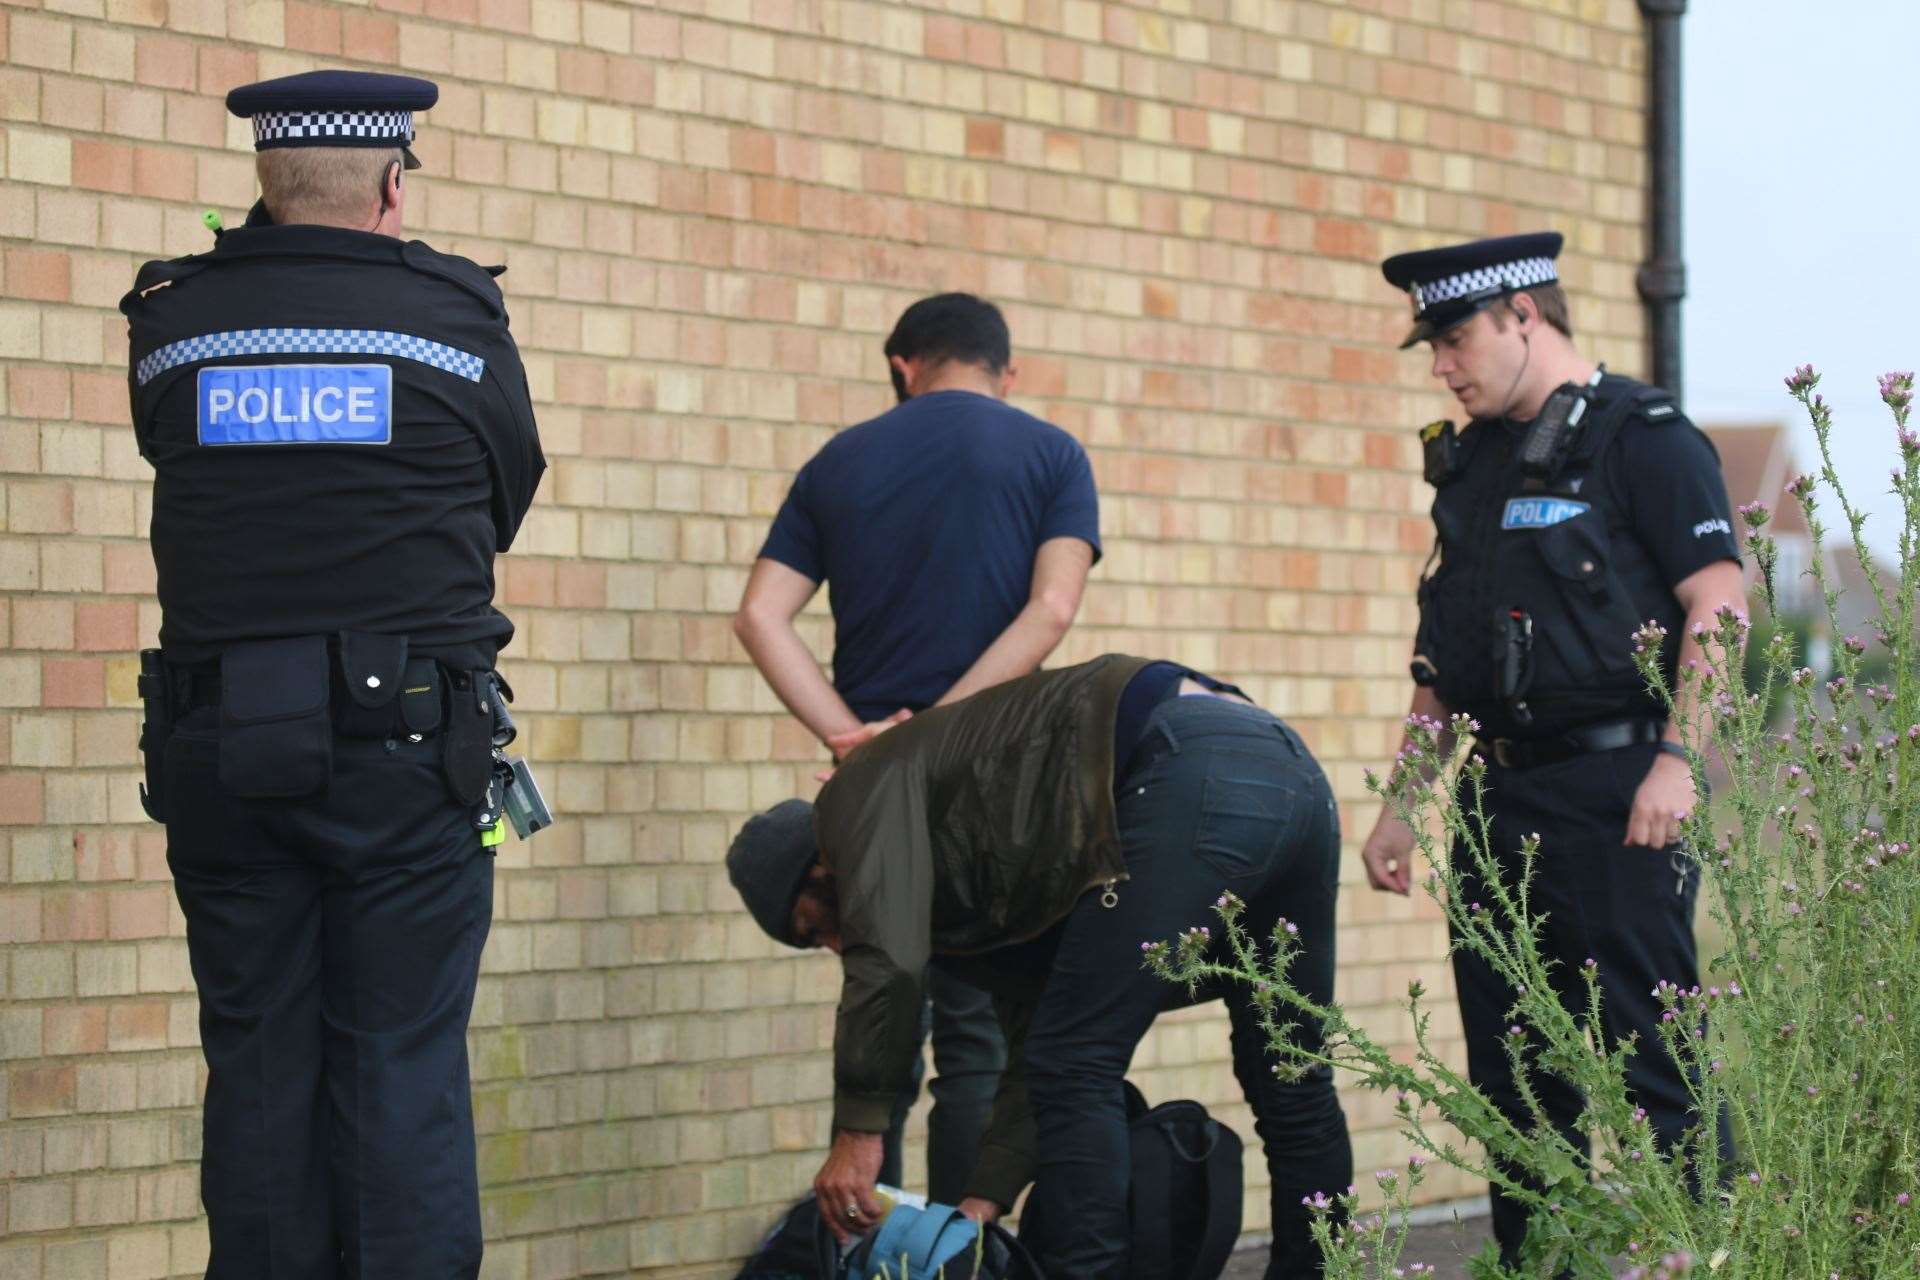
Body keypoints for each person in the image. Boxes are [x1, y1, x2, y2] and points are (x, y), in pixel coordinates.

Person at [121, 70, 545, 1279]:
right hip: (408, 749)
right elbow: (504, 493)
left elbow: (183, 457)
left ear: (264, 184)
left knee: (257, 1064)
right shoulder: (457, 321)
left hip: (217, 745)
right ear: (393, 183)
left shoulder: (173, 322)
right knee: (398, 1064)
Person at [1360, 232, 1742, 1266]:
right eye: (1432, 346)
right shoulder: (1475, 459)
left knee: (1655, 1053)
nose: (1443, 365)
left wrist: (1679, 760)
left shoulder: (1645, 436)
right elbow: (1444, 653)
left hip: (1621, 787)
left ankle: (1706, 1254)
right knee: (1518, 1075)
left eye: (1454, 340)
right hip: (1499, 798)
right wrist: (1404, 801)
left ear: (1525, 314)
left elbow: (1718, 601)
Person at [726, 654, 1354, 1279]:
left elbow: (887, 967)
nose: (837, 946)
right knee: (1289, 1074)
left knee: (1079, 1060)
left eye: (818, 928)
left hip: (1187, 765)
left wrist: (858, 1137)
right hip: (1285, 768)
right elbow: (1033, 1040)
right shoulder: (979, 867)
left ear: (821, 867)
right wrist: (982, 1201)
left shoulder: (855, 795)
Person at [733, 293, 1100, 1202]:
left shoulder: (840, 460)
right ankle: (957, 1253)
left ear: (903, 365)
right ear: (1004, 373)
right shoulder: (1052, 453)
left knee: (880, 1013)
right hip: (999, 784)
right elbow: (1051, 610)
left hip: (875, 792)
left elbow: (760, 615)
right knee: (975, 1044)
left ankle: (869, 1255)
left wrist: (853, 738)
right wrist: (947, 731)